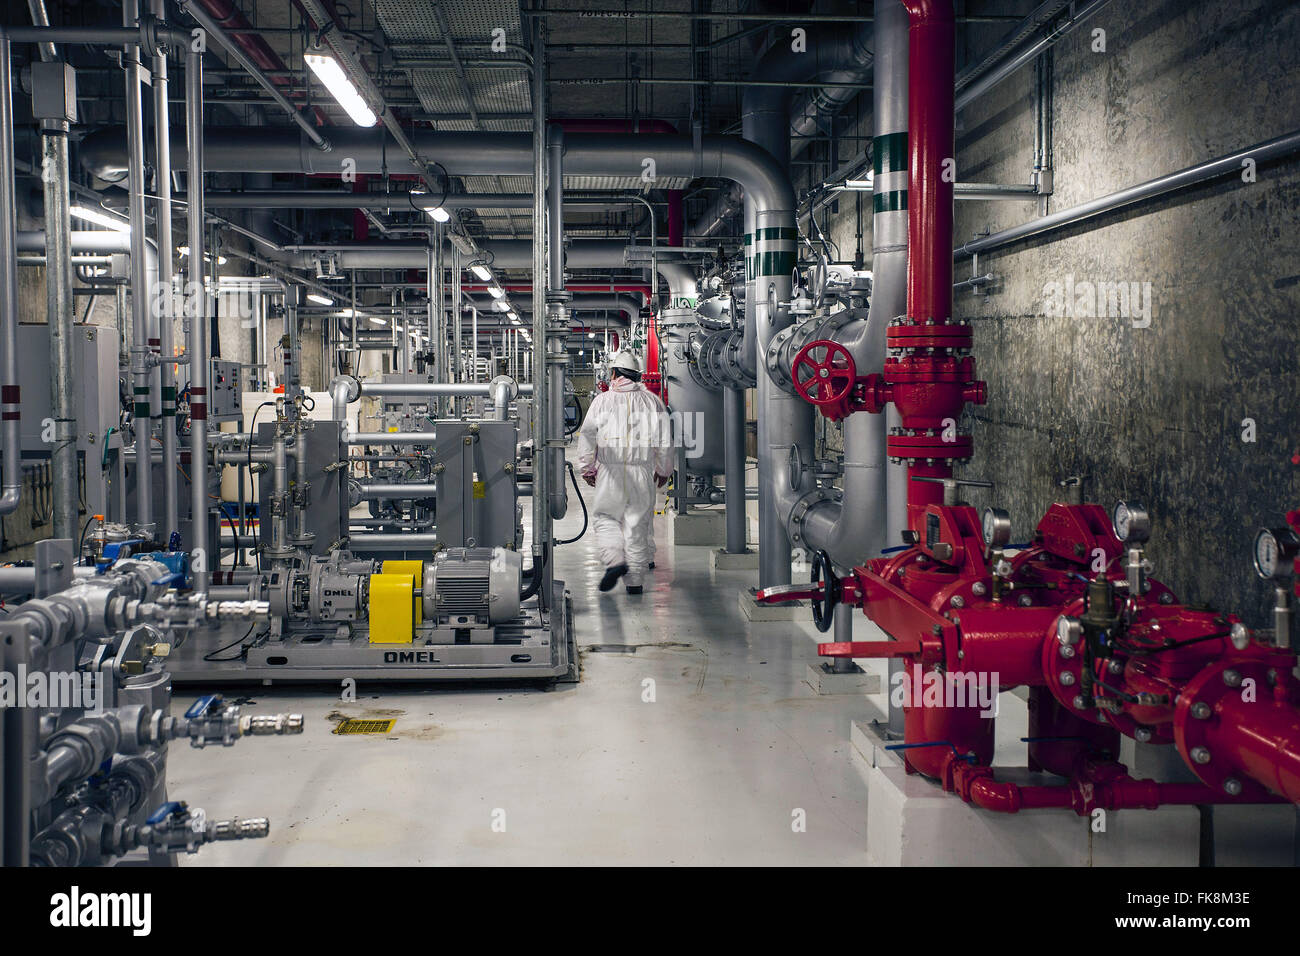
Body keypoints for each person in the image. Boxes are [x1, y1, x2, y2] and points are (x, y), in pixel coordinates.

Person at [575, 350, 673, 594]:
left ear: (615, 373)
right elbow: (665, 441)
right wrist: (664, 469)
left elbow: (587, 436)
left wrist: (587, 468)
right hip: (642, 471)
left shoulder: (602, 401)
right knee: (637, 526)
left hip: (610, 471)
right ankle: (635, 583)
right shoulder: (653, 402)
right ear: (637, 375)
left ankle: (615, 561)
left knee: (606, 519)